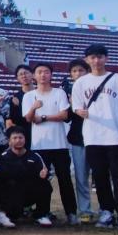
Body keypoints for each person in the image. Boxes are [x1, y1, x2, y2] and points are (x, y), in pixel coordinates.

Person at [71, 43, 118, 231]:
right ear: (87, 60)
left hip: (116, 135)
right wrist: (79, 111)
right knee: (99, 177)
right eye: (92, 57)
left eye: (100, 57)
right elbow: (76, 106)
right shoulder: (81, 82)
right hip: (93, 137)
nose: (96, 61)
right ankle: (106, 210)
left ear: (106, 58)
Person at [23, 62, 79, 226]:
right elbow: (28, 119)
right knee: (41, 180)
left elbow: (64, 115)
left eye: (46, 72)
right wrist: (34, 108)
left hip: (60, 144)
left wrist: (44, 117)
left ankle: (71, 212)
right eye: (39, 72)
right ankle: (42, 212)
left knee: (65, 180)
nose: (43, 75)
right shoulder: (29, 96)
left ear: (51, 75)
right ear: (34, 76)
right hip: (39, 145)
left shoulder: (59, 93)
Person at [0, 126, 54, 228]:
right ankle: (2, 213)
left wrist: (44, 174)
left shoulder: (34, 156)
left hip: (29, 192)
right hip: (11, 194)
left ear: (25, 139)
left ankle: (41, 215)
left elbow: (45, 171)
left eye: (20, 137)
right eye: (15, 138)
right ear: (9, 141)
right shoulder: (2, 157)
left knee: (45, 184)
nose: (18, 140)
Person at [66, 59, 95, 223]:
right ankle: (85, 210)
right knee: (81, 177)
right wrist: (71, 105)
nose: (78, 74)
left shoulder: (96, 87)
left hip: (100, 138)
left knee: (102, 176)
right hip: (79, 139)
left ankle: (107, 209)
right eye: (74, 71)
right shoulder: (67, 91)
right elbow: (67, 117)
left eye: (81, 70)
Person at [6, 64, 35, 146]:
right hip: (26, 135)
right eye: (21, 74)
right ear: (17, 78)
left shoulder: (40, 94)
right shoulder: (15, 98)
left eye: (26, 73)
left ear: (32, 75)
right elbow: (15, 121)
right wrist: (17, 107)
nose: (24, 76)